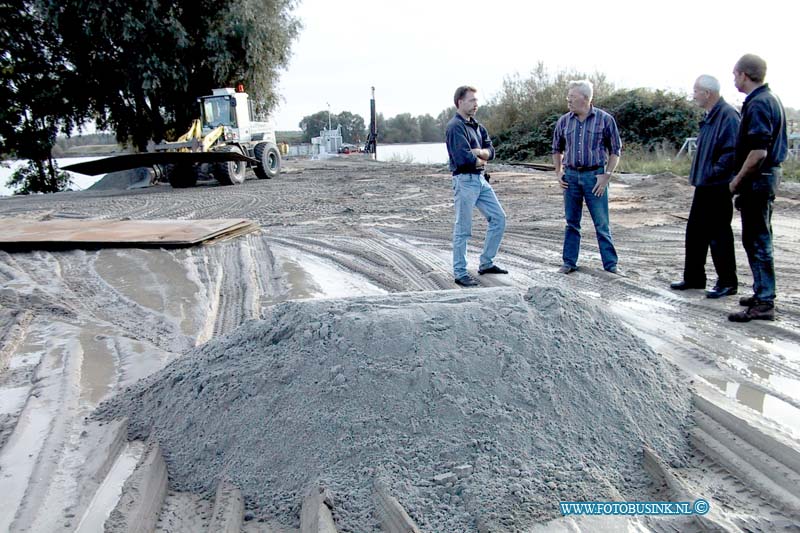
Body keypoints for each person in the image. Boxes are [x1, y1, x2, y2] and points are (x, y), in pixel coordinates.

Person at [727, 54, 788, 322]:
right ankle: (761, 293)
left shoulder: (760, 103)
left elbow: (759, 152)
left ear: (743, 74)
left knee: (758, 240)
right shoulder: (768, 99)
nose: (734, 80)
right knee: (756, 238)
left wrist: (736, 181)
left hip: (758, 180)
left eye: (735, 75)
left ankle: (764, 302)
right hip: (764, 179)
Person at [670, 75, 740, 298]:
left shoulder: (728, 115)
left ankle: (728, 282)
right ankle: (694, 278)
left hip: (718, 185)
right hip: (705, 185)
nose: (694, 95)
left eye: (696, 91)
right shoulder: (711, 116)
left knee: (719, 234)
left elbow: (731, 153)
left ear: (708, 93)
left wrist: (713, 174)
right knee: (695, 232)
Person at [552, 80, 622, 274]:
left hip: (595, 177)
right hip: (571, 177)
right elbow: (556, 149)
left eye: (572, 97)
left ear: (585, 98)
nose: (568, 100)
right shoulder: (564, 121)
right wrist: (558, 172)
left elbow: (616, 150)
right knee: (572, 222)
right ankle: (569, 263)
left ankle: (610, 265)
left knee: (601, 223)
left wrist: (606, 175)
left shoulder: (605, 120)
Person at [445, 85, 507, 287]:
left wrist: (479, 153)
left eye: (476, 101)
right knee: (463, 228)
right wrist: (480, 158)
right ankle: (460, 272)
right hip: (464, 180)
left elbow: (491, 151)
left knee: (498, 218)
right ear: (460, 102)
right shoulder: (455, 127)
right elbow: (463, 158)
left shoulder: (477, 126)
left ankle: (486, 263)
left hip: (480, 180)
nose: (476, 104)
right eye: (472, 100)